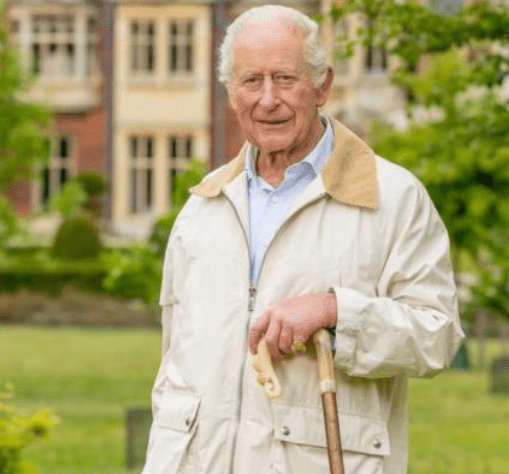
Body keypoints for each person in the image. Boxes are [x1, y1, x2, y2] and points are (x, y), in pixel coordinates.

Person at [142, 5, 464, 474]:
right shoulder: (202, 208)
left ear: (322, 86)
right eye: (251, 81)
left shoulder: (394, 197)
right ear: (231, 92)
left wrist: (337, 312)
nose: (268, 99)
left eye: (285, 79)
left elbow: (437, 335)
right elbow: (172, 369)